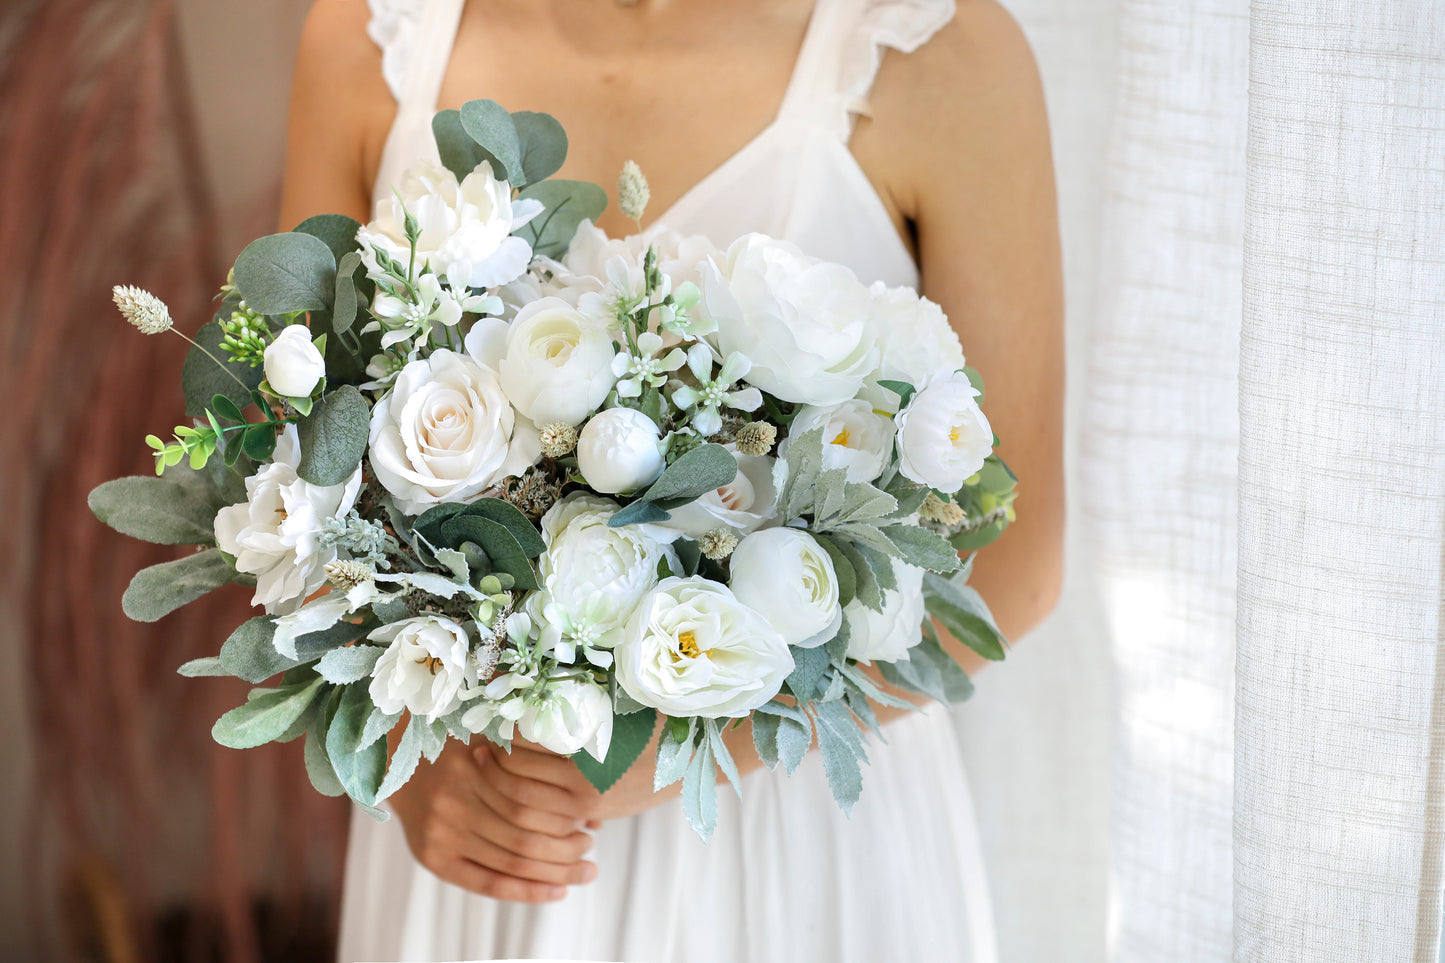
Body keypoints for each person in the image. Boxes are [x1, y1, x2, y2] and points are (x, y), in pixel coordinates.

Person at [279, 0, 1064, 958]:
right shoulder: (372, 39)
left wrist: (679, 754)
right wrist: (400, 750)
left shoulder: (936, 52)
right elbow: (300, 477)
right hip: (488, 827)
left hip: (788, 834)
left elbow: (1014, 556)